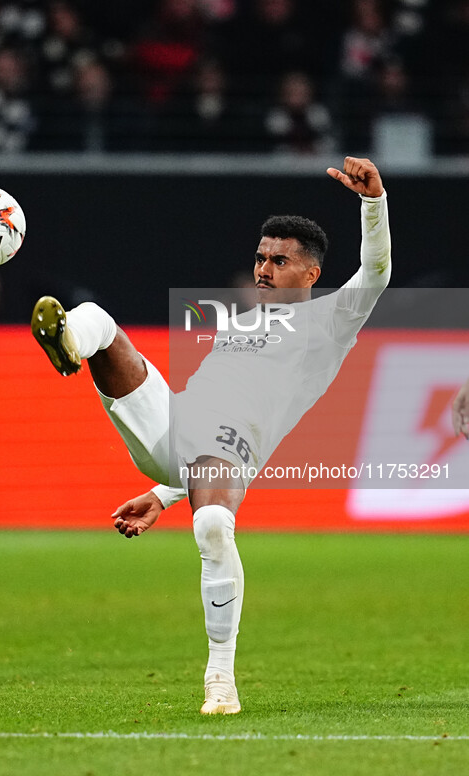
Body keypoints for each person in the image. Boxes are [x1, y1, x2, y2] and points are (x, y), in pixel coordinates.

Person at [30, 156, 391, 715]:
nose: (264, 269)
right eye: (260, 258)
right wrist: (163, 493)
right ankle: (68, 344)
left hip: (227, 455)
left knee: (216, 523)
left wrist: (373, 204)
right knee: (99, 319)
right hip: (175, 428)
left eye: (279, 261)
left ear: (312, 275)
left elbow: (376, 274)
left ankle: (220, 679)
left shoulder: (331, 323)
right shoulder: (240, 325)